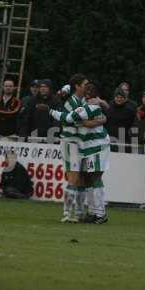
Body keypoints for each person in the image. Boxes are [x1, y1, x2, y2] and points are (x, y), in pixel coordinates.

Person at [38, 82, 110, 224]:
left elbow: (68, 118)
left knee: (93, 177)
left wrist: (49, 111)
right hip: (84, 145)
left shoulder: (89, 106)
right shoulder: (83, 104)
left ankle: (99, 214)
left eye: (88, 88)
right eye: (85, 85)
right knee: (87, 178)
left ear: (89, 94)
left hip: (96, 145)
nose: (85, 88)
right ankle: (92, 213)